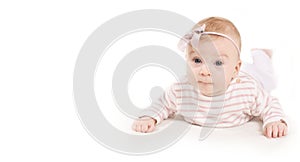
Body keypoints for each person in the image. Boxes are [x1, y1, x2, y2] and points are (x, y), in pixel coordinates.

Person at [132, 17, 287, 138]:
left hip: (253, 76)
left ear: (235, 69)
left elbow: (269, 104)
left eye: (217, 62)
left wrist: (274, 121)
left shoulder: (248, 90)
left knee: (266, 76)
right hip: (233, 68)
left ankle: (261, 54)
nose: (205, 71)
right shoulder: (181, 90)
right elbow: (163, 104)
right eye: (197, 60)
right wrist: (149, 117)